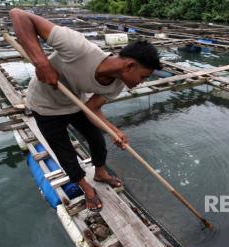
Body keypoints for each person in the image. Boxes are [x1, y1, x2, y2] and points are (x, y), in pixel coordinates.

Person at [9, 8, 162, 211]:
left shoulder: (117, 85)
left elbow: (92, 108)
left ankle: (100, 173)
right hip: (45, 106)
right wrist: (41, 62)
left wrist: (114, 130)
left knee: (98, 140)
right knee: (65, 152)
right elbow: (18, 15)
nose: (142, 82)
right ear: (130, 66)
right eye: (143, 77)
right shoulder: (78, 47)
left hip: (75, 104)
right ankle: (84, 186)